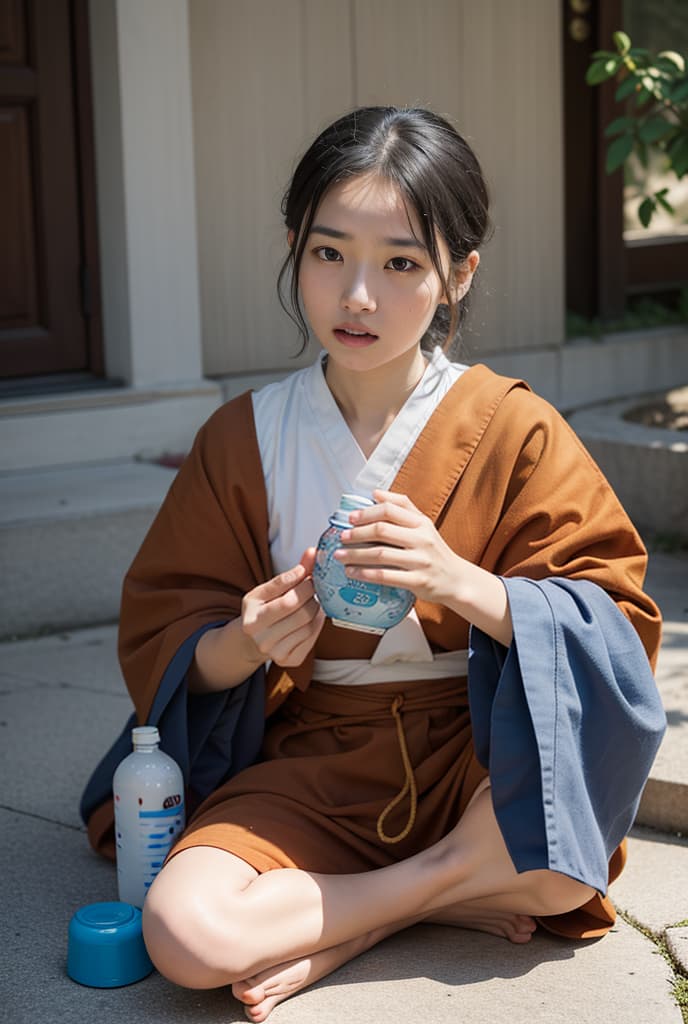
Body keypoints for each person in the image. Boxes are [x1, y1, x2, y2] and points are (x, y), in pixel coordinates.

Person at [81, 106, 666, 1022]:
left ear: (458, 275)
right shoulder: (245, 439)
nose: (359, 296)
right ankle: (445, 891)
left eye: (401, 263)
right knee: (185, 936)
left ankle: (359, 920)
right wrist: (246, 641)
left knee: (559, 871)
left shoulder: (515, 425)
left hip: (483, 749)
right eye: (329, 254)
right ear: (293, 248)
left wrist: (457, 581)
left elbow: (615, 623)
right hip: (320, 747)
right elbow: (167, 629)